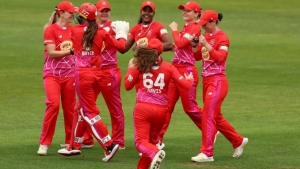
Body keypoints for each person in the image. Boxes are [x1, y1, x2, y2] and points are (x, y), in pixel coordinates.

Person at [57, 3, 129, 162]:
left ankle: (109, 145)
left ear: (82, 17)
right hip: (97, 74)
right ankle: (74, 146)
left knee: (90, 113)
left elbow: (61, 31)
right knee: (81, 109)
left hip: (82, 75)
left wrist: (60, 14)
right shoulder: (102, 32)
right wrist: (122, 34)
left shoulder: (73, 30)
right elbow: (121, 46)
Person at [124, 38, 194, 169]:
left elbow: (127, 85)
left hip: (143, 108)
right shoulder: (169, 67)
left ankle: (156, 152)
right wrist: (189, 79)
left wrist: (129, 70)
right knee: (150, 142)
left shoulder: (139, 65)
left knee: (141, 143)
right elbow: (185, 86)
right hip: (162, 111)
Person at [190, 10, 248, 162]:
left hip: (217, 81)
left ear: (213, 22)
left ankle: (207, 153)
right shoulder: (206, 36)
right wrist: (195, 45)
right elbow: (197, 57)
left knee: (208, 115)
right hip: (207, 81)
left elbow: (221, 58)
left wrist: (206, 44)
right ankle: (238, 141)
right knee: (216, 116)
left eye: (205, 24)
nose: (203, 27)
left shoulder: (222, 37)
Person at [158, 1, 205, 146]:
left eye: (188, 11)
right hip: (176, 69)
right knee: (167, 106)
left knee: (190, 108)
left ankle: (210, 128)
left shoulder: (195, 29)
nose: (184, 12)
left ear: (196, 14)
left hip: (187, 71)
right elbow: (181, 46)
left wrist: (174, 30)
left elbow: (179, 43)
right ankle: (158, 139)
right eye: (183, 10)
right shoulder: (187, 28)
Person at [81, 0, 126, 150]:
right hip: (92, 70)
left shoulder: (114, 26)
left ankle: (118, 141)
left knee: (114, 107)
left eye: (107, 10)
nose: (105, 13)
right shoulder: (88, 28)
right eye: (102, 10)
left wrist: (121, 33)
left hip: (109, 70)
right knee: (84, 106)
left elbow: (122, 46)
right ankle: (86, 139)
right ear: (96, 12)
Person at [37, 1, 77, 156]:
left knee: (70, 108)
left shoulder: (73, 30)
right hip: (52, 74)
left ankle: (70, 143)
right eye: (70, 12)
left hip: (70, 75)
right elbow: (52, 53)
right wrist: (71, 52)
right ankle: (44, 143)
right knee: (53, 105)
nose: (73, 15)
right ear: (61, 13)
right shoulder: (50, 30)